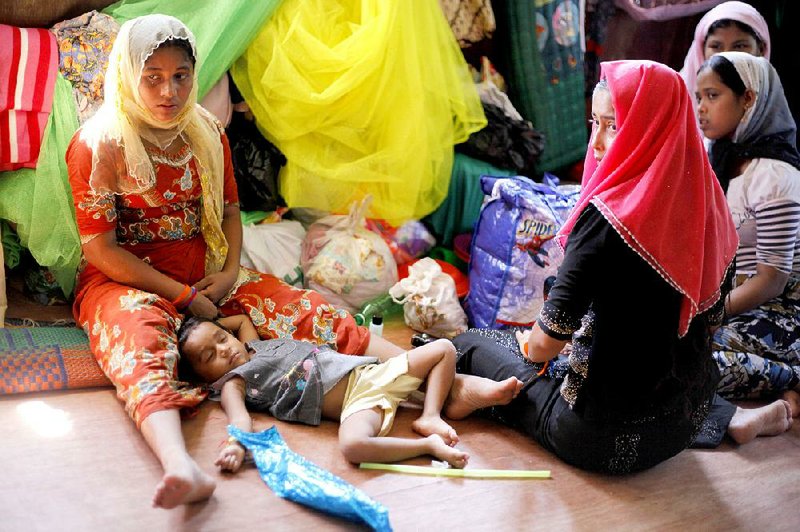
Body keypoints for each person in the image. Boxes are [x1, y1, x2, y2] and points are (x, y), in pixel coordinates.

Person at [65, 14, 406, 509]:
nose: (169, 91)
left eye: (180, 75)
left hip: (208, 273)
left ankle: (426, 372)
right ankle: (180, 466)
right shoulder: (97, 144)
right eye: (152, 76)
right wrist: (181, 297)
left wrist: (226, 274)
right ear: (127, 74)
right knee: (137, 338)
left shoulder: (205, 130)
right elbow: (101, 249)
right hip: (124, 279)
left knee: (298, 305)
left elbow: (227, 211)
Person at [452, 60, 793, 475]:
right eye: (594, 122)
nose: (595, 142)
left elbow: (545, 345)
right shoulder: (711, 205)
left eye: (614, 126)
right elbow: (709, 324)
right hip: (683, 424)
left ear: (653, 129)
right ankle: (730, 417)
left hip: (598, 438)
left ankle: (476, 393)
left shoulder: (608, 218)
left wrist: (523, 344)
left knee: (470, 344)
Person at [177, 315, 524, 471]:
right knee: (352, 447)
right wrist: (236, 447)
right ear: (205, 379)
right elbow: (239, 419)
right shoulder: (235, 383)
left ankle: (430, 414)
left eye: (221, 339)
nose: (223, 350)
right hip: (357, 403)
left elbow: (235, 320)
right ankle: (427, 445)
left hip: (370, 371)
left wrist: (207, 316)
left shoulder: (254, 342)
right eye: (209, 357)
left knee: (445, 348)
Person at [695, 51, 800, 413]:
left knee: (696, 360)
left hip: (783, 309)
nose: (701, 108)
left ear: (749, 99)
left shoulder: (775, 175)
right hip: (735, 303)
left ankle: (791, 377)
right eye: (698, 97)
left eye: (713, 95)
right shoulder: (719, 157)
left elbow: (772, 280)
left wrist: (708, 316)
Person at [680, 1, 770, 99]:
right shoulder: (676, 97)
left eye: (739, 46)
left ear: (761, 50)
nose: (727, 56)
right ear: (701, 49)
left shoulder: (774, 104)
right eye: (716, 47)